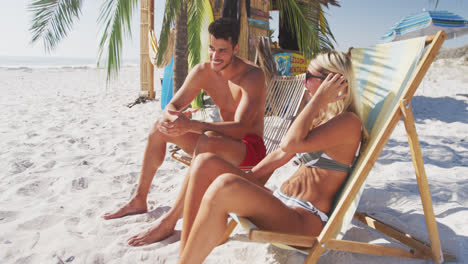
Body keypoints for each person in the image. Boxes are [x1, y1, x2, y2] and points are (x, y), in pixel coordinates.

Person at [177, 50, 369, 263]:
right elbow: (281, 153)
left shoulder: (349, 123)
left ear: (332, 82)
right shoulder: (323, 118)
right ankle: (185, 256)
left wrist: (317, 101)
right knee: (205, 162)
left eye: (309, 78)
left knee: (224, 185)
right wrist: (249, 179)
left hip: (302, 221)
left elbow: (289, 143)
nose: (304, 84)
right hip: (280, 204)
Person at [102, 17, 267, 246]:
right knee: (159, 130)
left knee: (207, 141)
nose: (215, 56)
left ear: (235, 49)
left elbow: (240, 129)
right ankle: (139, 199)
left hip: (249, 149)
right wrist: (174, 118)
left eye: (222, 50)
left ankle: (168, 223)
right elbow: (172, 105)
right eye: (211, 48)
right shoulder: (205, 71)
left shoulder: (252, 76)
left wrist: (194, 125)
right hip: (218, 142)